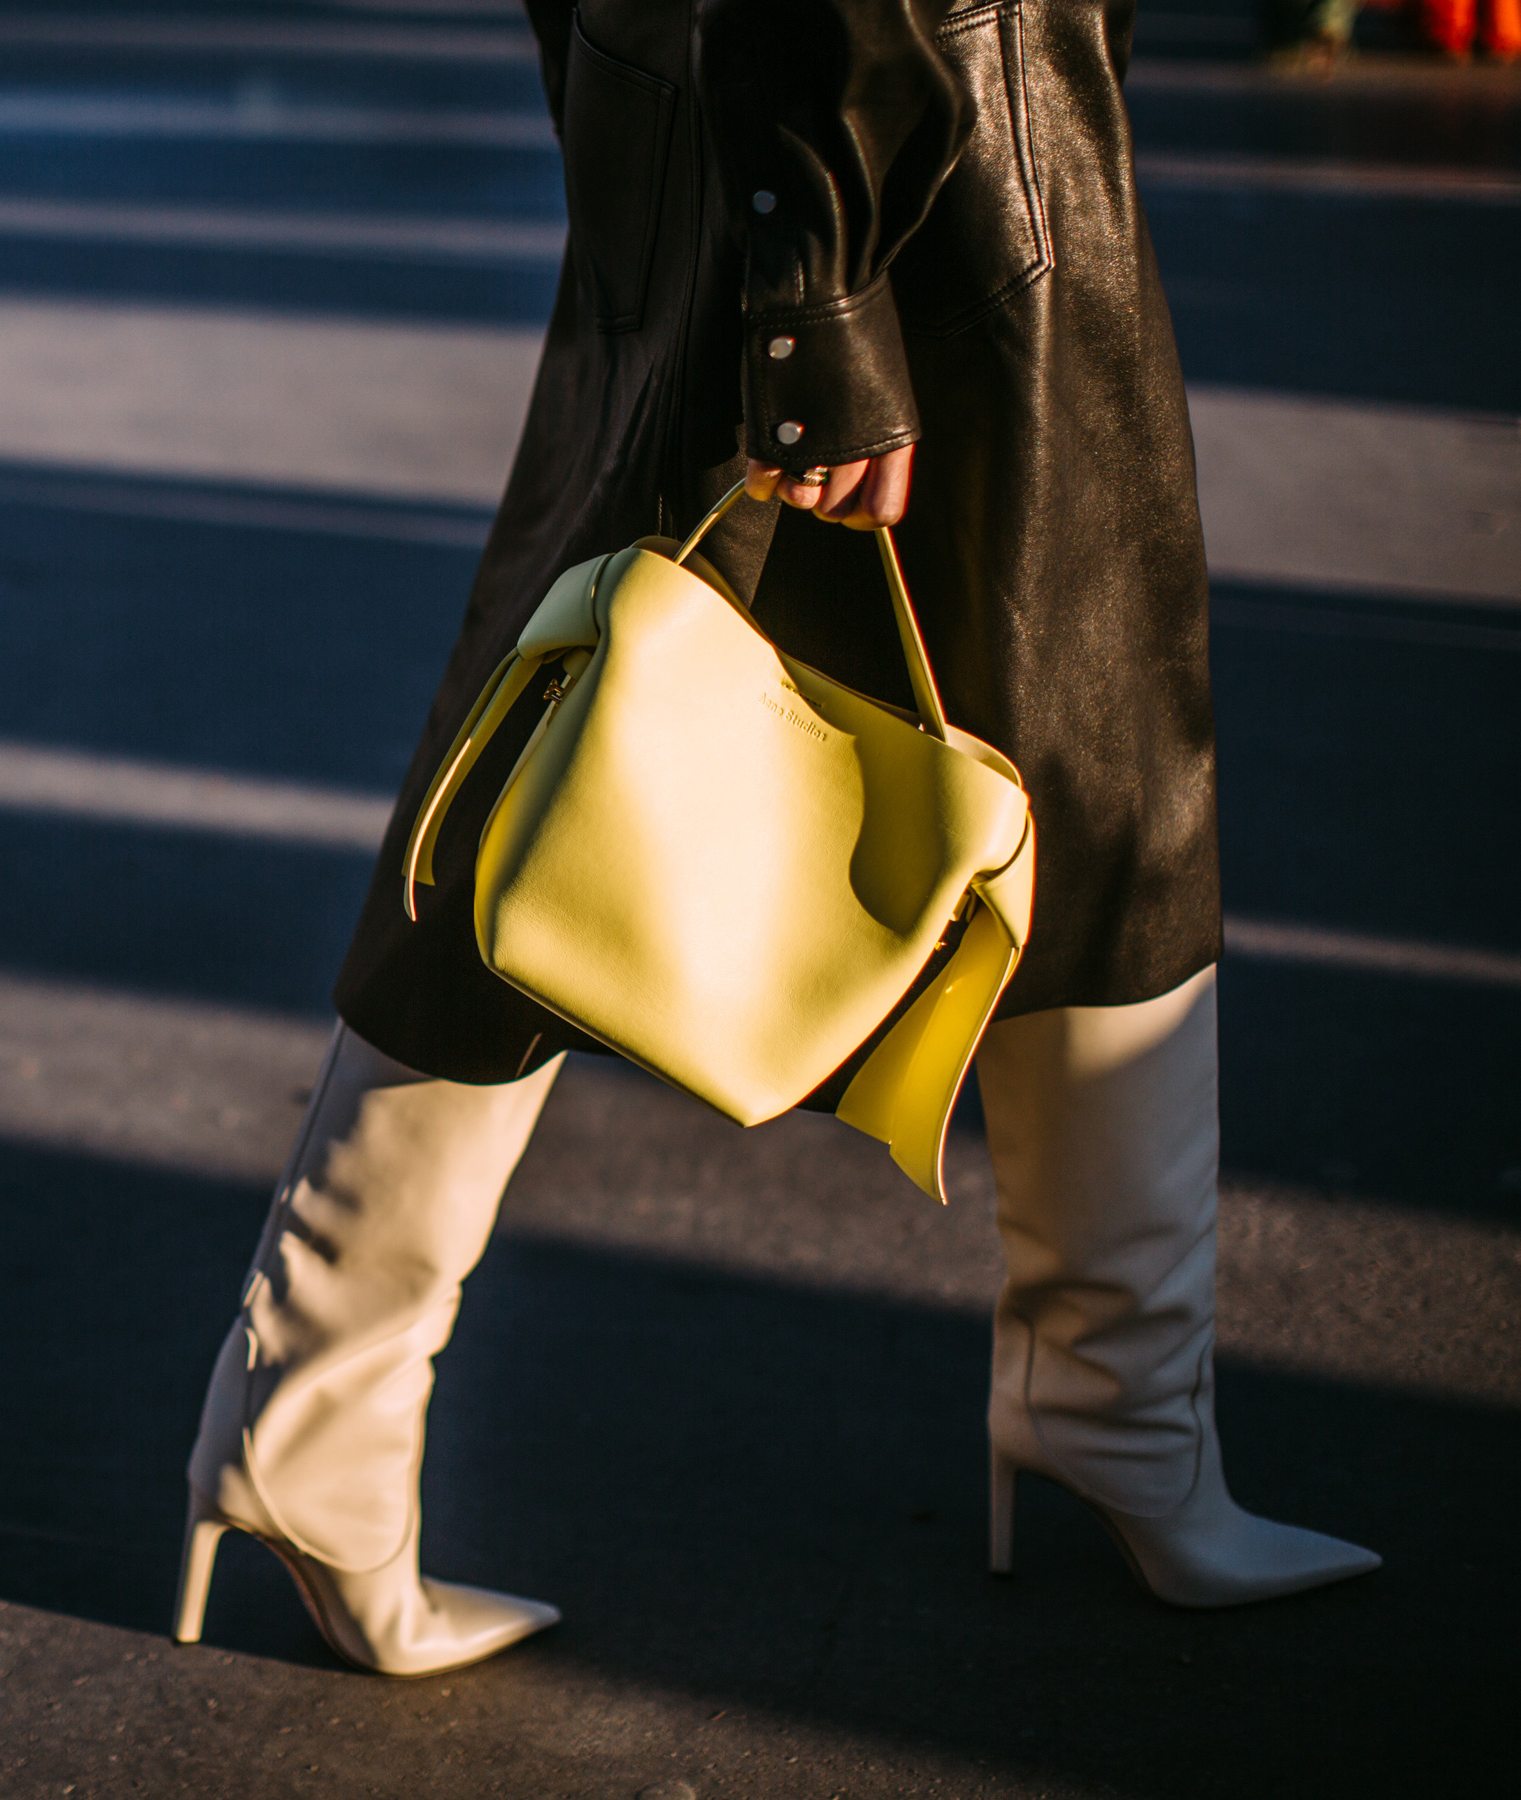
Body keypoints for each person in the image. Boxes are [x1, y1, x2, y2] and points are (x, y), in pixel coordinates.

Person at [170, 0, 1381, 1677]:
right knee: (1078, 764)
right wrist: (815, 289)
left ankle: (311, 1420)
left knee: (571, 780)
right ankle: (1118, 1404)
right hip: (927, 145)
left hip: (735, 112)